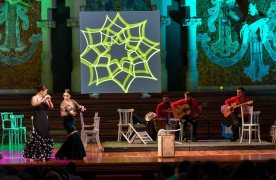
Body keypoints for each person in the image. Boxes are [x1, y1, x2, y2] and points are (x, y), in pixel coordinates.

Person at [22, 84, 54, 161]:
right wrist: (43, 99)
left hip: (44, 117)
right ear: (41, 91)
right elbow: (34, 104)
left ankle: (44, 154)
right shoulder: (35, 97)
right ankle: (33, 154)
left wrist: (49, 100)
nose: (46, 93)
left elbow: (51, 107)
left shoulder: (45, 98)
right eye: (45, 91)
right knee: (38, 134)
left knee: (45, 134)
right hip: (38, 118)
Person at [55, 89, 86, 160]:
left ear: (70, 96)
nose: (65, 97)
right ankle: (78, 154)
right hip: (67, 122)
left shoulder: (73, 101)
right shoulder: (63, 103)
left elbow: (79, 106)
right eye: (64, 95)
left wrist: (82, 108)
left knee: (71, 138)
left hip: (72, 121)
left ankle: (63, 154)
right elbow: (62, 114)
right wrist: (69, 113)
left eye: (67, 96)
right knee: (75, 135)